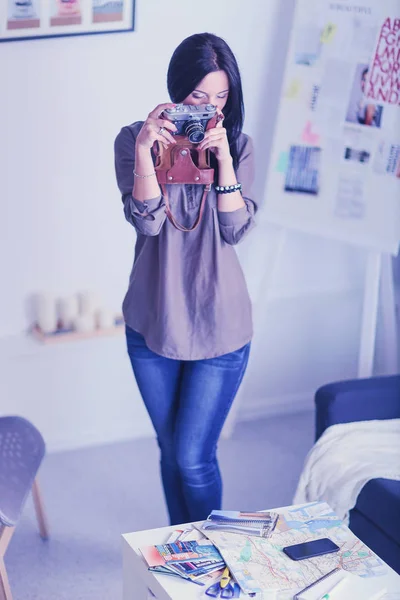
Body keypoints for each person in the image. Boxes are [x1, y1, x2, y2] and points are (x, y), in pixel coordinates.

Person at [114, 32, 257, 525]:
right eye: (198, 98)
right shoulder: (134, 140)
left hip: (220, 324)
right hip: (153, 319)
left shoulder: (237, 144)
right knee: (169, 448)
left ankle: (215, 555)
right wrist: (145, 151)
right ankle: (184, 556)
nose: (210, 110)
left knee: (193, 458)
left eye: (221, 98)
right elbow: (148, 220)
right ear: (177, 91)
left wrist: (222, 162)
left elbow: (236, 228)